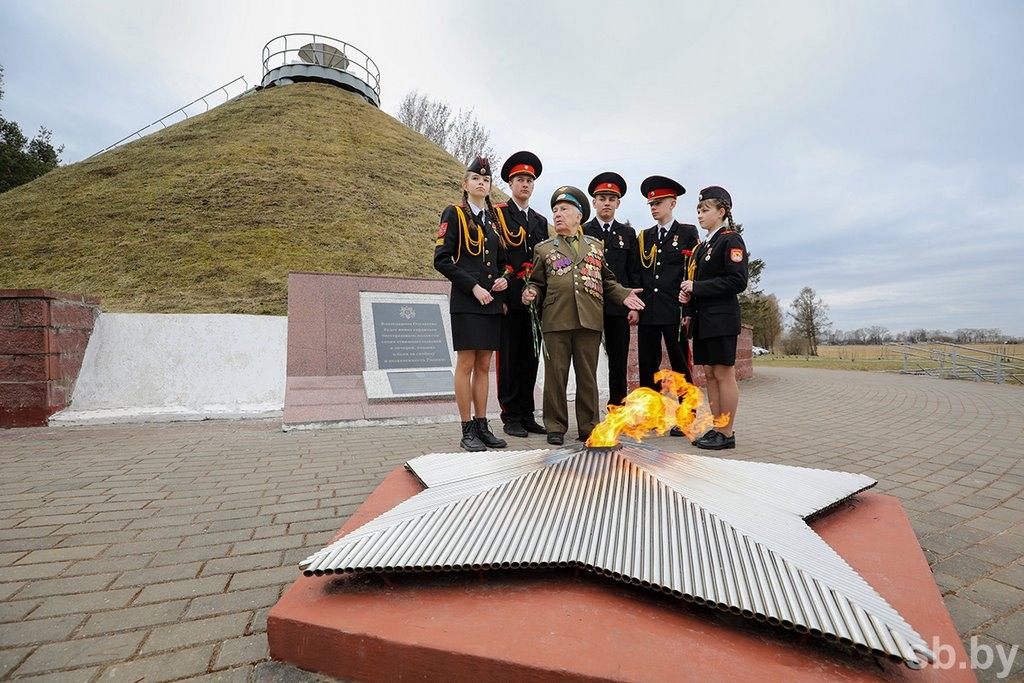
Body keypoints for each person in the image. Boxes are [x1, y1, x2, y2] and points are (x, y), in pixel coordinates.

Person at [522, 185, 645, 445]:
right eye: (555, 210)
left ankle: (588, 426)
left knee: (587, 377)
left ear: (579, 216)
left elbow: (608, 281)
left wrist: (623, 295)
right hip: (556, 319)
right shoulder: (544, 249)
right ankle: (555, 426)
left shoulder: (595, 246)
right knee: (556, 376)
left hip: (589, 318)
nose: (557, 214)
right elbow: (537, 282)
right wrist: (530, 291)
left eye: (564, 209)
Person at [433, 156, 510, 452]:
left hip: (491, 301)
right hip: (468, 301)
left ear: (490, 187)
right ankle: (466, 429)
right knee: (466, 364)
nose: (481, 183)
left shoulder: (493, 220)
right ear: (465, 185)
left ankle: (482, 425)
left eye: (486, 180)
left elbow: (502, 263)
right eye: (476, 179)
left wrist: (504, 280)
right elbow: (442, 260)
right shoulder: (453, 213)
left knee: (485, 365)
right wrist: (474, 286)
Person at [679, 185, 749, 450]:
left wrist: (697, 288)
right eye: (698, 210)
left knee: (723, 373)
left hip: (721, 318)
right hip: (703, 319)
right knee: (709, 373)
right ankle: (716, 427)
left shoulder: (730, 240)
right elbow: (694, 282)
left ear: (722, 211)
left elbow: (737, 280)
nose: (700, 215)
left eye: (705, 210)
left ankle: (726, 431)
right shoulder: (702, 247)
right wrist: (687, 304)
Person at [635, 175, 700, 437]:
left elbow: (692, 272)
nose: (653, 208)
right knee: (647, 365)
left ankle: (686, 415)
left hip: (673, 311)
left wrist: (688, 309)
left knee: (679, 363)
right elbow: (640, 273)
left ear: (672, 204)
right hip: (649, 311)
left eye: (658, 203)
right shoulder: (644, 237)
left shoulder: (686, 233)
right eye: (650, 204)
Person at [494, 151, 550, 438]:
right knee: (509, 361)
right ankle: (510, 415)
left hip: (533, 302)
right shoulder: (499, 214)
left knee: (531, 359)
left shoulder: (540, 221)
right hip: (510, 301)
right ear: (510, 183)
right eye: (519, 179)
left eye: (529, 180)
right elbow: (495, 258)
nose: (525, 184)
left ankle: (527, 413)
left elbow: (543, 262)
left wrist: (538, 293)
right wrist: (503, 299)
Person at [582, 172, 639, 407]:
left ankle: (617, 408)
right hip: (589, 305)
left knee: (618, 360)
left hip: (618, 307)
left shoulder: (628, 234)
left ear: (618, 203)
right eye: (602, 198)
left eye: (611, 199)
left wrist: (634, 306)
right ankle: (589, 410)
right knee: (588, 362)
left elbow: (633, 272)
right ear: (594, 202)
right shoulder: (583, 231)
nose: (607, 203)